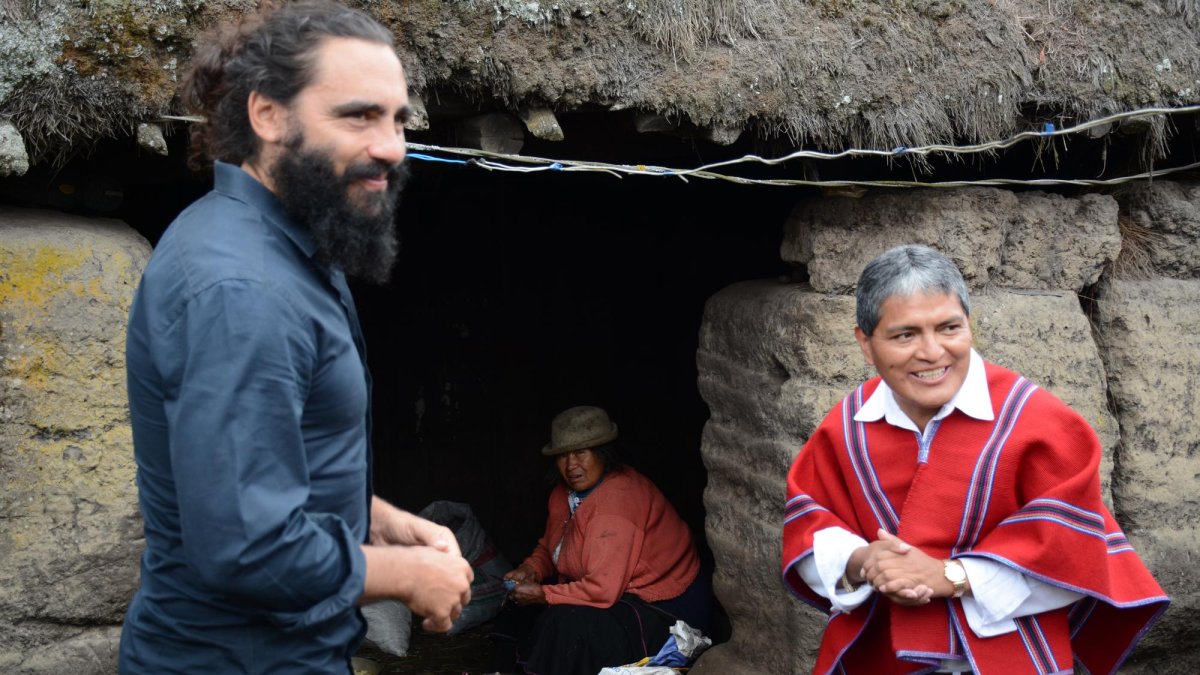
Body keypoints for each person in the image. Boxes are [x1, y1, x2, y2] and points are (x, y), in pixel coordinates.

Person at [119, 2, 473, 672]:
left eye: (398, 119)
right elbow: (245, 542)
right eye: (358, 114)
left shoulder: (284, 249)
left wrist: (377, 520)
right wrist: (402, 574)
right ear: (268, 115)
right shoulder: (242, 289)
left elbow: (261, 466)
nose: (393, 146)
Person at [782, 244, 1169, 675]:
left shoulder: (1037, 422)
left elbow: (1075, 558)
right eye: (904, 335)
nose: (931, 353)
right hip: (883, 656)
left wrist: (951, 576)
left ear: (970, 325)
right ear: (866, 343)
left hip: (1008, 656)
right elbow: (809, 531)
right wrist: (863, 563)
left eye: (949, 328)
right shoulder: (847, 427)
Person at [492, 405, 711, 675]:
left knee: (568, 624)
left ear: (602, 453)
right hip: (609, 587)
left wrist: (544, 594)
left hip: (661, 606)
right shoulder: (564, 495)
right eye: (562, 456)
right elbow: (553, 548)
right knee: (517, 608)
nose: (571, 465)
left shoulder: (616, 503)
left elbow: (602, 590)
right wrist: (530, 569)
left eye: (581, 453)